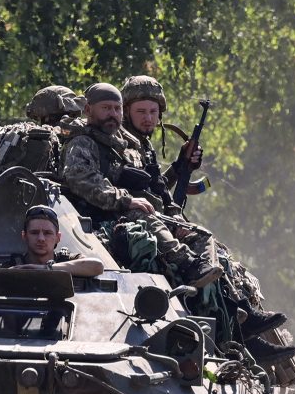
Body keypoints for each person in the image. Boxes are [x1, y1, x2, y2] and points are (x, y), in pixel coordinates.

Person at [120, 75, 295, 365]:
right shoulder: (120, 143)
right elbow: (134, 191)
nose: (148, 118)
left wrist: (180, 166)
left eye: (153, 112)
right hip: (140, 220)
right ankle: (240, 334)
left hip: (159, 215)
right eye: (141, 112)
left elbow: (156, 187)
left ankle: (246, 330)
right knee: (202, 264)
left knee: (218, 258)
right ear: (127, 111)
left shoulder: (144, 146)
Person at [61, 82, 222, 289]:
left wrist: (179, 172)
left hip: (131, 211)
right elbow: (82, 180)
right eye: (106, 108)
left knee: (201, 235)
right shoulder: (82, 142)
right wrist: (127, 200)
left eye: (116, 108)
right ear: (88, 110)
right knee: (142, 215)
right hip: (101, 218)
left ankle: (235, 302)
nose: (112, 114)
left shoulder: (124, 145)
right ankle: (187, 263)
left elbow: (154, 186)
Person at [7, 206, 105, 276]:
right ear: (24, 236)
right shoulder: (13, 265)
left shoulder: (69, 260)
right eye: (34, 232)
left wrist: (46, 269)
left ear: (58, 237)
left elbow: (97, 266)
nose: (41, 238)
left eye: (47, 233)